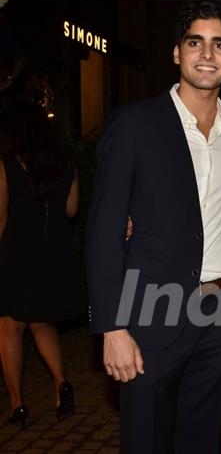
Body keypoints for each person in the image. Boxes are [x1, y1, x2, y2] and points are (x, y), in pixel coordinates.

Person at [85, 0, 221, 453]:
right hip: (148, 317)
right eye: (194, 42)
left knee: (205, 442)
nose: (207, 54)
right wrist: (112, 327)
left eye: (219, 44)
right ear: (176, 53)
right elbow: (103, 231)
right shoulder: (135, 124)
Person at [0, 102, 80, 426]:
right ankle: (61, 383)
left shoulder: (6, 166)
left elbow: (0, 218)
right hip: (50, 257)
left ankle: (18, 404)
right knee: (41, 322)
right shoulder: (65, 166)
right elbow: (72, 211)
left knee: (9, 326)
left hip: (14, 256)